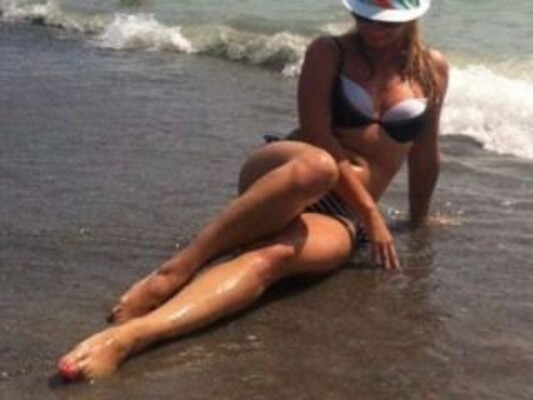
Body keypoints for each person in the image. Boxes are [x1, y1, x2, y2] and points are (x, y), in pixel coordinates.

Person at [57, 0, 448, 381]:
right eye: (364, 17)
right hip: (290, 171)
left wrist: (419, 220)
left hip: (342, 214)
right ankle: (176, 269)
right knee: (319, 167)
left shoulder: (432, 69)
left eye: (386, 22)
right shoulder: (329, 52)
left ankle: (130, 338)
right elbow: (318, 135)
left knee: (271, 257)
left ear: (411, 18)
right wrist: (372, 214)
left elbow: (425, 154)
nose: (374, 29)